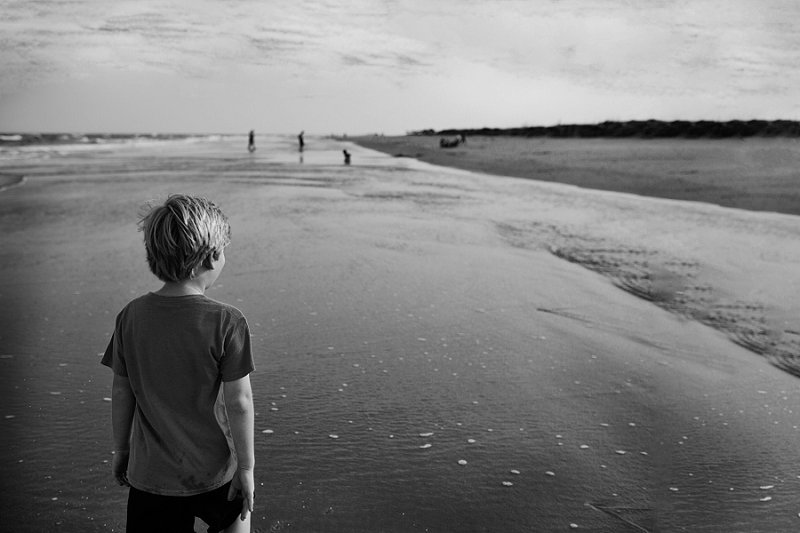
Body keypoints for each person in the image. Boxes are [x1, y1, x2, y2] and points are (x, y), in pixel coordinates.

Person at [102, 194, 256, 533]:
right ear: (213, 257)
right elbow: (240, 402)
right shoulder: (227, 321)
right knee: (236, 521)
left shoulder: (130, 317)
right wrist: (246, 468)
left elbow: (121, 389)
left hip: (150, 476)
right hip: (213, 472)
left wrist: (121, 449)